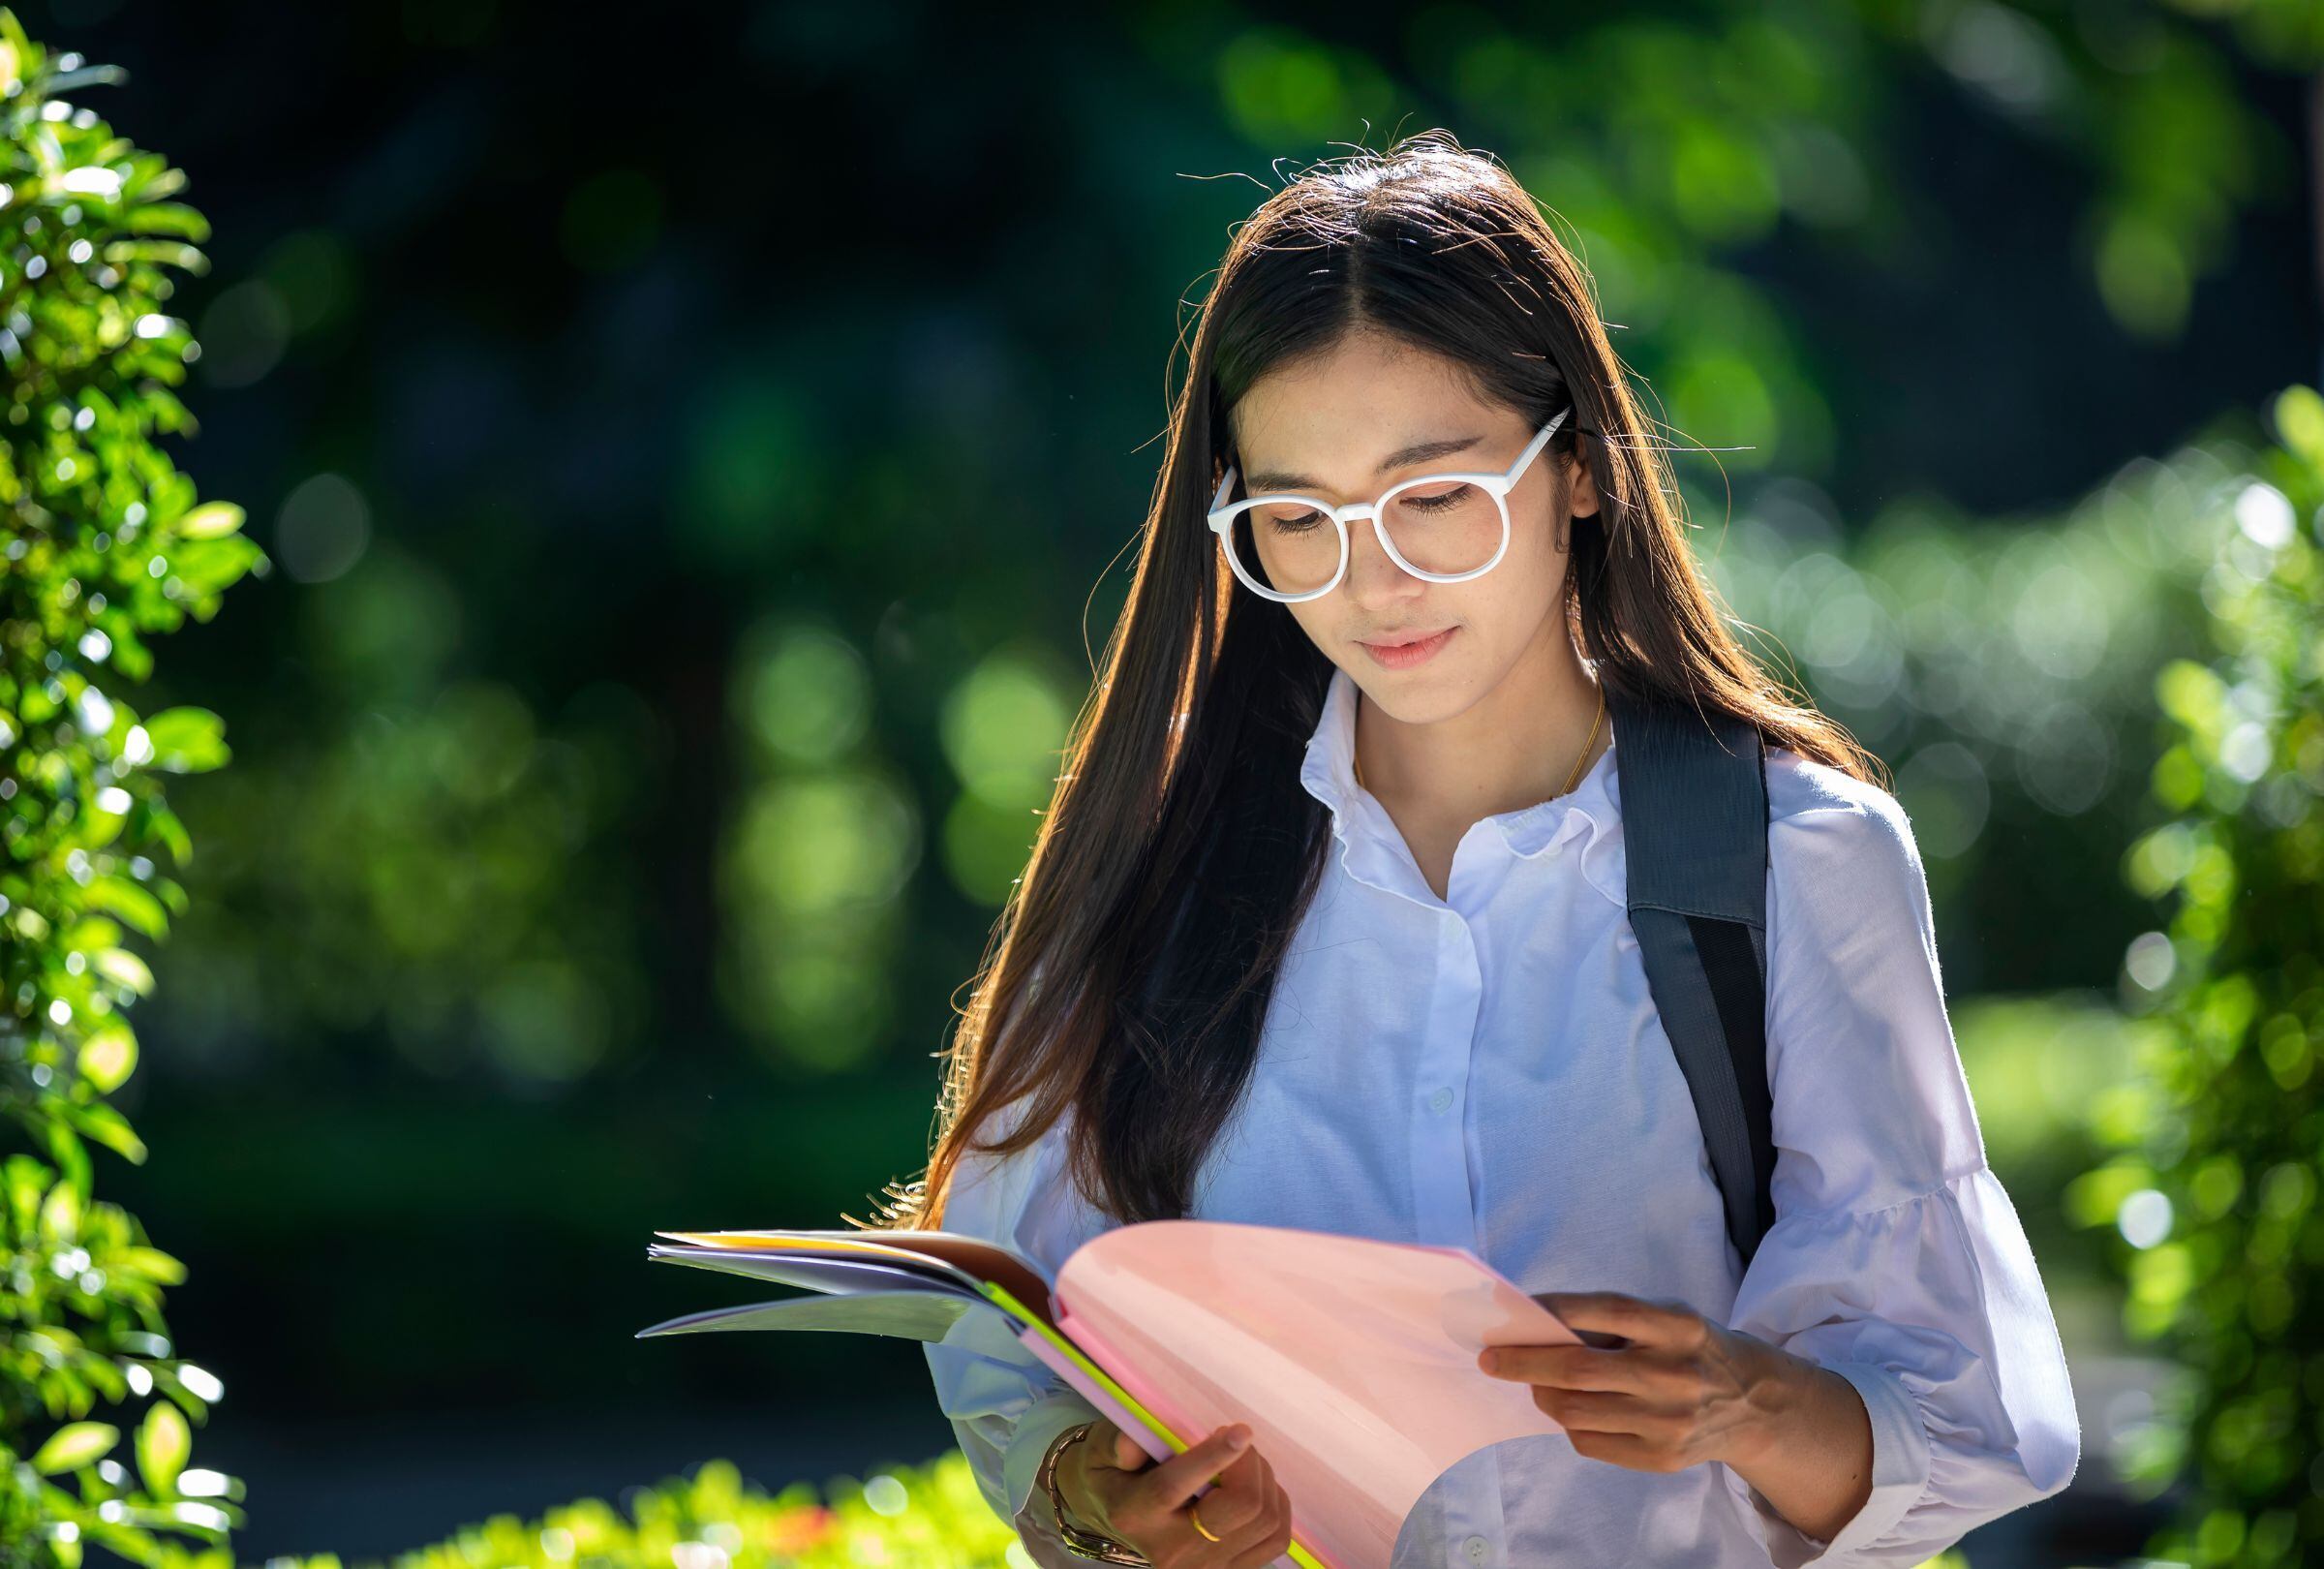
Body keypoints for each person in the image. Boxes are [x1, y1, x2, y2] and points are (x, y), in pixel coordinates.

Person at [862, 131, 2080, 1568]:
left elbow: (1971, 1416)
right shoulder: (1157, 857)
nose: (1371, 580)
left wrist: (1746, 1406)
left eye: (1434, 494)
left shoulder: (1797, 860)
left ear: (1578, 469)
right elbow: (1005, 1330)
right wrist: (1105, 1507)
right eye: (1295, 518)